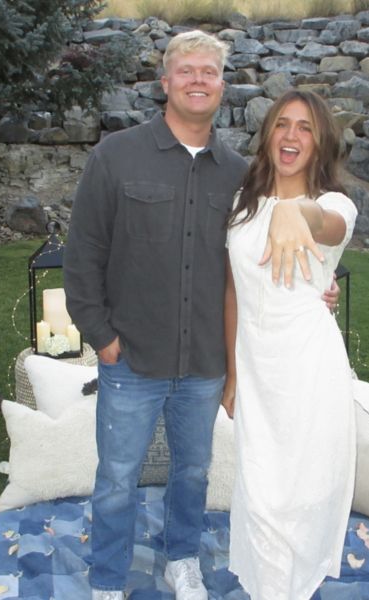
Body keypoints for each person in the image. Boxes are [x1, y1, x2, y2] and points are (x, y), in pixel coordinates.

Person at [63, 32, 339, 600]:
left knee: (192, 474)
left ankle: (181, 559)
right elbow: (84, 252)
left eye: (208, 71)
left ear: (221, 85)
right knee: (117, 478)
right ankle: (107, 580)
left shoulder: (239, 175)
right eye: (185, 70)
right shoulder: (116, 156)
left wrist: (317, 285)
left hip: (205, 361)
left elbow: (259, 255)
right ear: (165, 82)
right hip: (131, 355)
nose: (197, 80)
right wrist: (102, 337)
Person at [222, 89, 358, 600]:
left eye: (305, 127)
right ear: (268, 135)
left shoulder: (334, 205)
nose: (291, 135)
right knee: (259, 494)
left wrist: (295, 211)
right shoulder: (242, 204)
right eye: (282, 123)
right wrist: (233, 372)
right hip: (255, 367)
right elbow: (233, 288)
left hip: (307, 367)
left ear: (320, 142)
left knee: (298, 497)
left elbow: (326, 225)